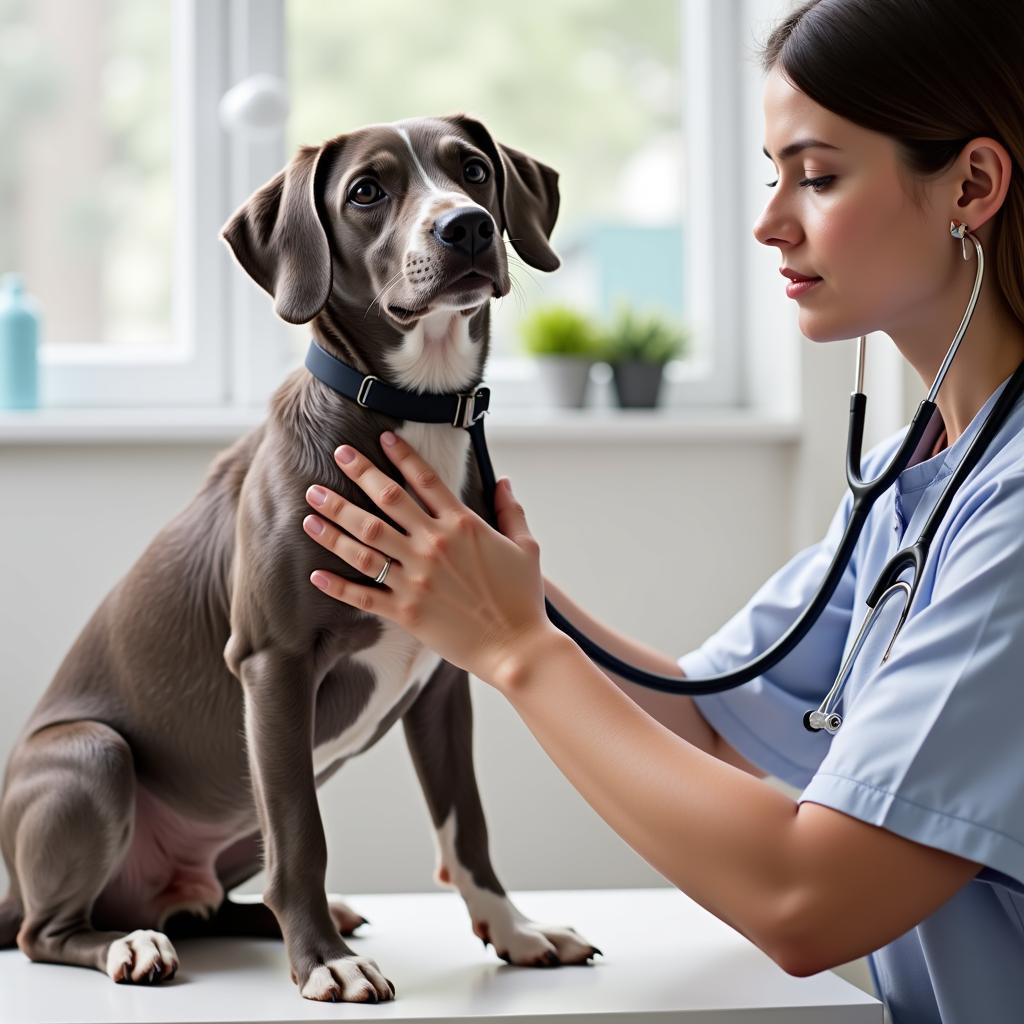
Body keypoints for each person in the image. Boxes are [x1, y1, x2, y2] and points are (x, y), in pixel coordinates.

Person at [298, 2, 1024, 1020]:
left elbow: (809, 902)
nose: (771, 220)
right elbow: (710, 716)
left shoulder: (1013, 511)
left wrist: (515, 646)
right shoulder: (927, 469)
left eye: (815, 178)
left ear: (972, 185)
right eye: (772, 175)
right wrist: (493, 586)